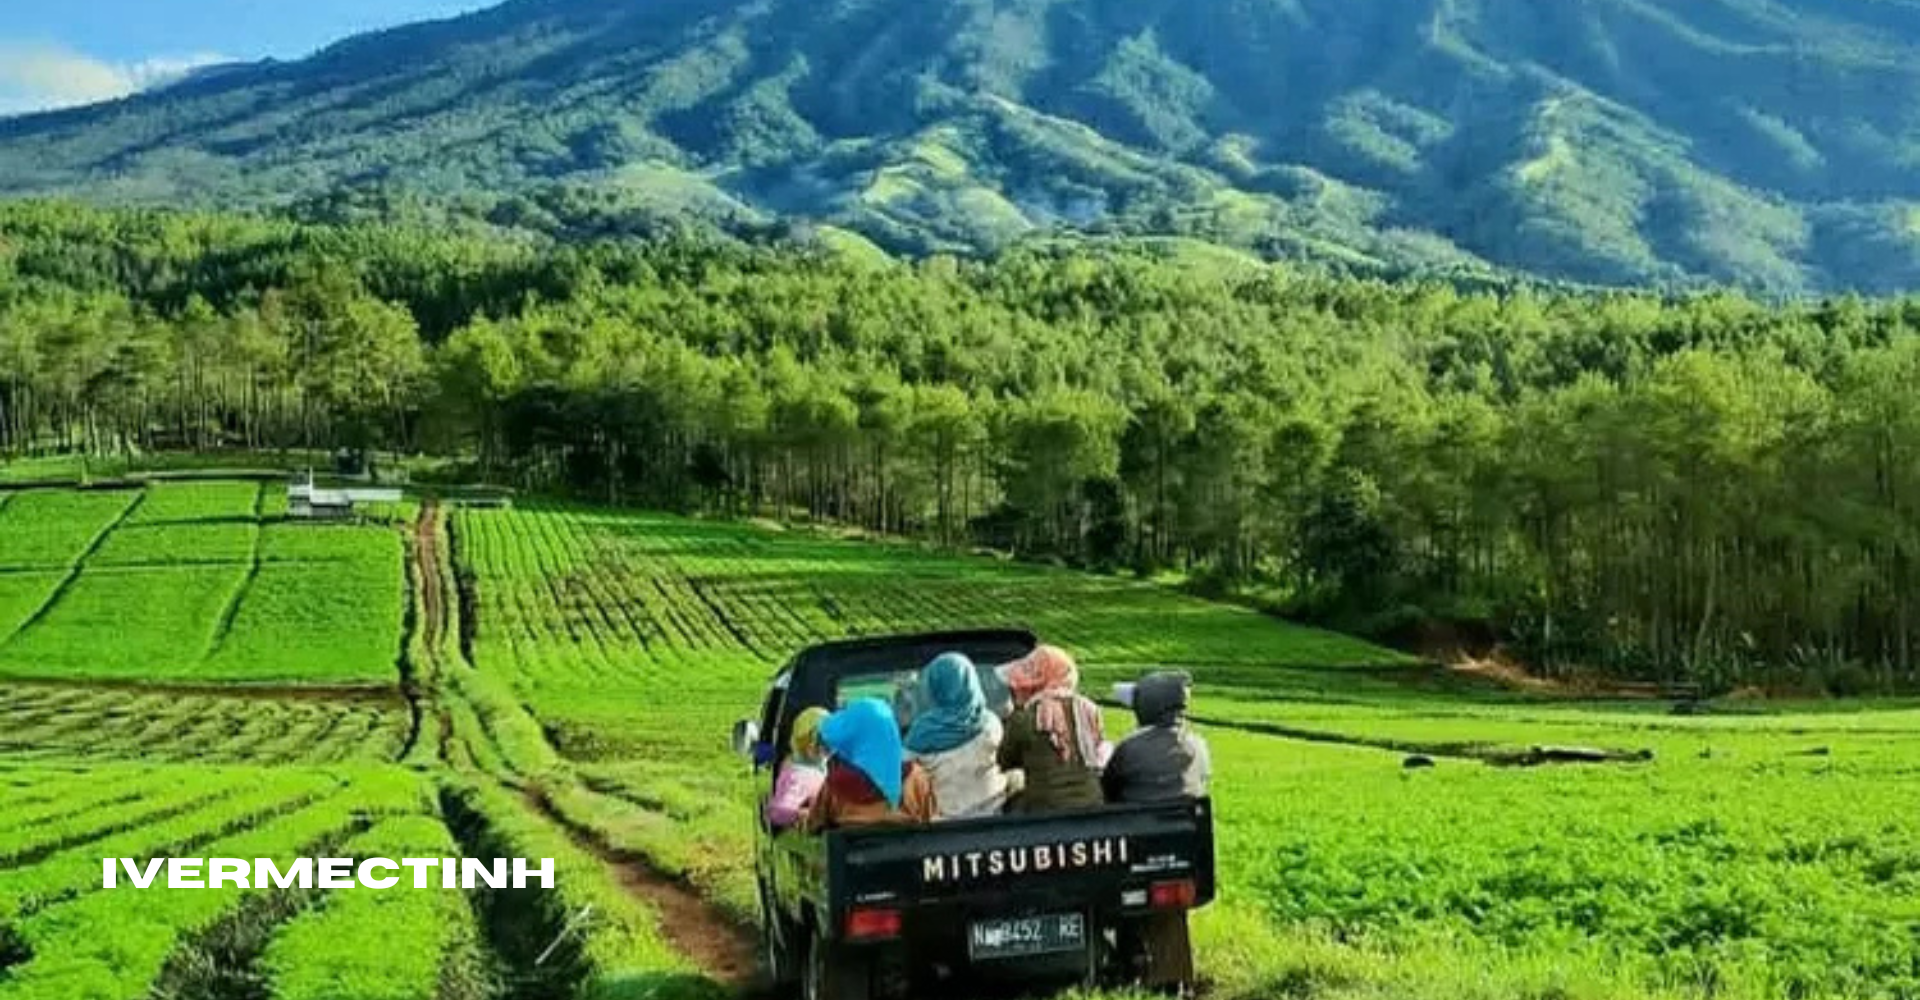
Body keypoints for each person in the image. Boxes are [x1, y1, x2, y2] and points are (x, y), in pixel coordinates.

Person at [904, 653, 1018, 820]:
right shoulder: (990, 723)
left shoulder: (919, 734)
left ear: (933, 687)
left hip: (945, 824)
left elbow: (905, 776)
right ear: (971, 682)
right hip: (993, 813)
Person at [997, 644, 1107, 813]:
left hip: (1045, 811)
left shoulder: (1027, 717)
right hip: (1093, 805)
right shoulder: (1089, 710)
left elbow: (1003, 760)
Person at [804, 697, 937, 831]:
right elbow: (931, 825)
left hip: (851, 850)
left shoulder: (833, 785)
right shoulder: (916, 777)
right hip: (906, 851)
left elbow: (814, 827)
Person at [1104, 671, 1211, 804]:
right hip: (1188, 823)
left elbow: (1108, 789)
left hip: (1137, 822)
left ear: (1146, 707)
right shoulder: (1198, 745)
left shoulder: (1130, 749)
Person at [764, 706, 829, 830]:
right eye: (819, 741)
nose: (826, 748)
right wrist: (801, 814)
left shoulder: (813, 766)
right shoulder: (800, 774)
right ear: (802, 740)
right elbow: (777, 811)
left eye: (829, 741)